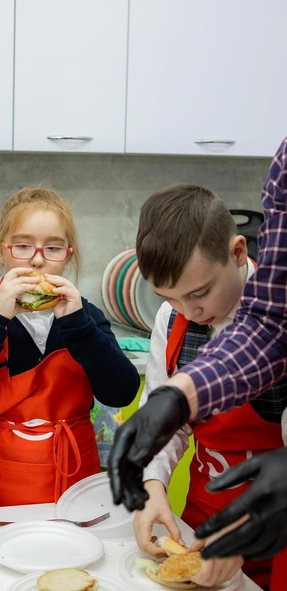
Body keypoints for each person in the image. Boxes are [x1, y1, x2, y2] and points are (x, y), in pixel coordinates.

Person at [109, 137, 287, 569]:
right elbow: (170, 426)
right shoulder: (174, 322)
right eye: (170, 298)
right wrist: (152, 483)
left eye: (201, 293)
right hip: (202, 529)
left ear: (238, 252)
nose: (190, 312)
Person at [0, 187, 140, 509]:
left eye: (53, 248)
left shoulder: (84, 316)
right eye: (22, 245)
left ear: (68, 256)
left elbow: (121, 393)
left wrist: (79, 326)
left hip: (73, 482)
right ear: (1, 252)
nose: (37, 259)